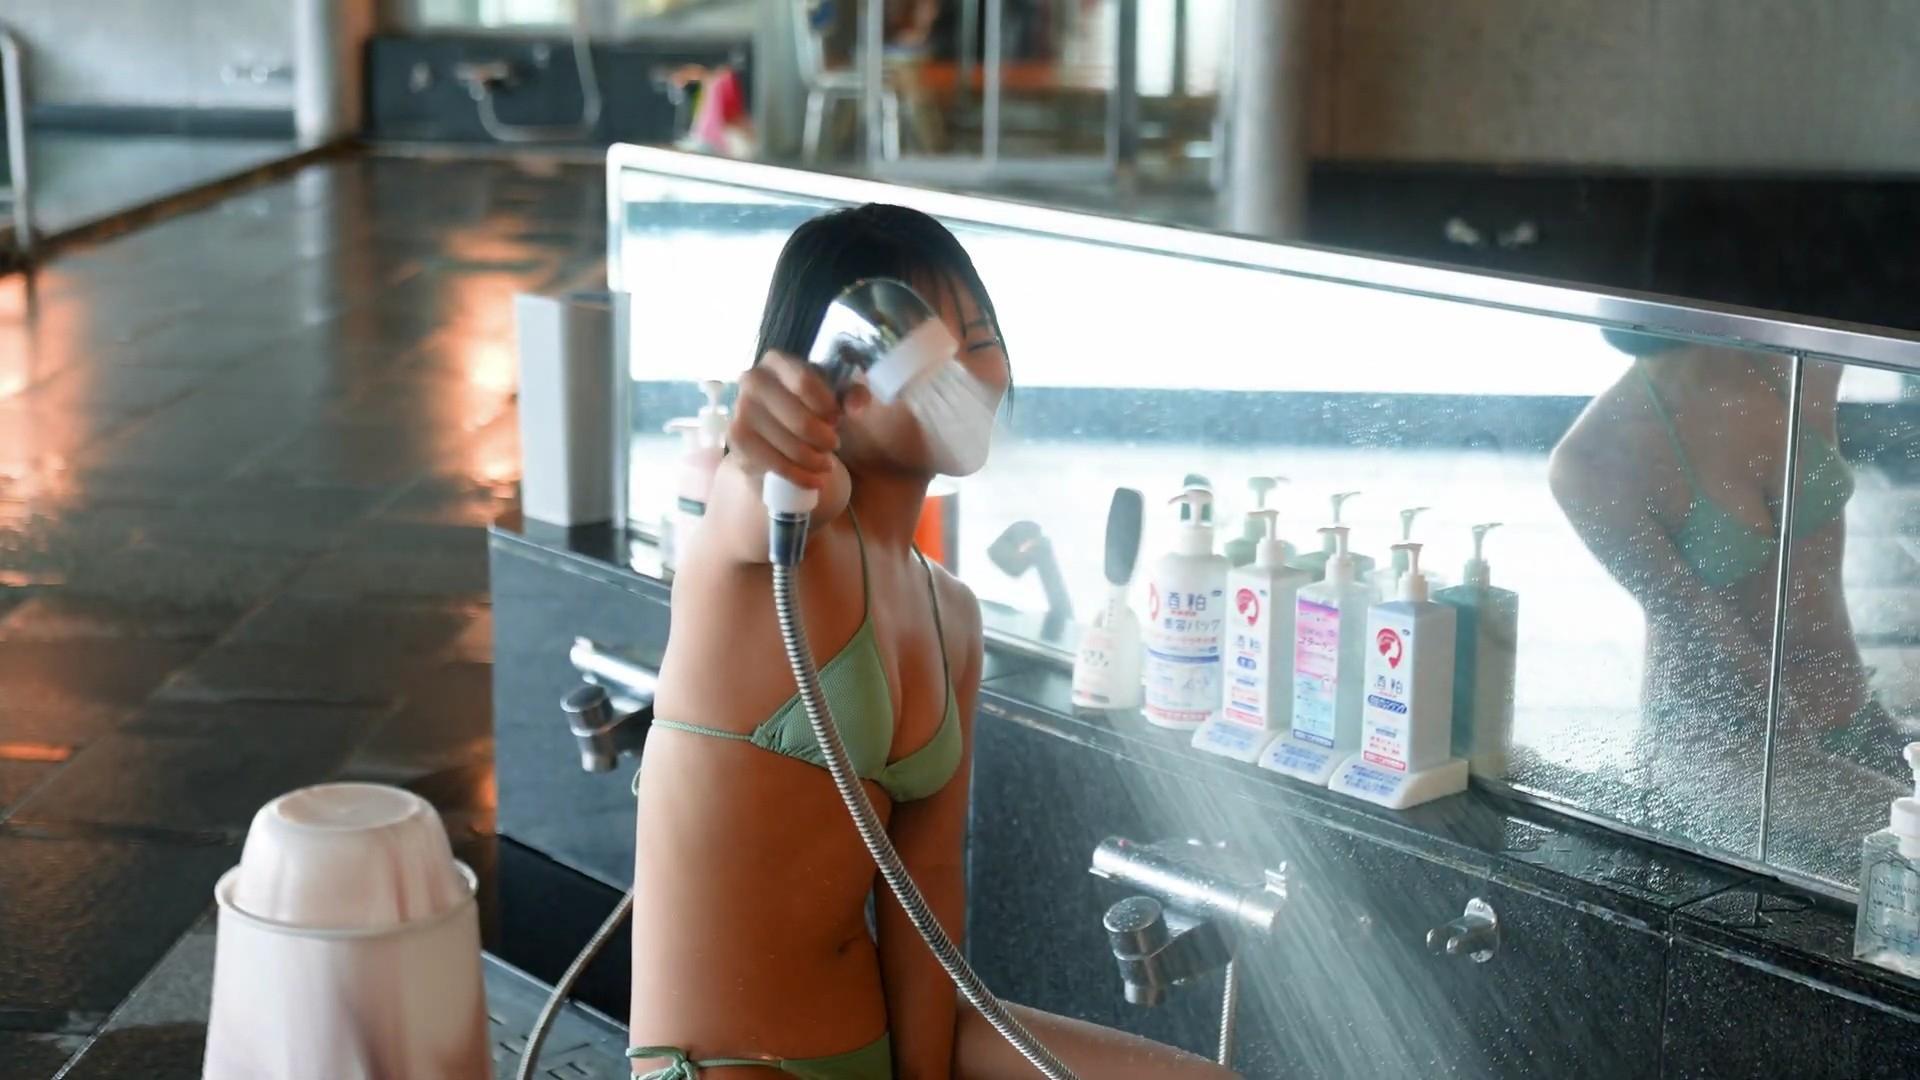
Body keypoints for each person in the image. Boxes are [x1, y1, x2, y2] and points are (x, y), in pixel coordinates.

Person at [627, 204, 1235, 1079]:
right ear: (835, 378)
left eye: (979, 341)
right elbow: (751, 491)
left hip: (877, 1041)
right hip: (723, 1059)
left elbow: (929, 885)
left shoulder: (952, 614)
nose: (967, 375)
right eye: (918, 349)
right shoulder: (773, 554)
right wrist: (765, 441)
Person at [1548, 331, 1902, 775]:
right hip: (1721, 750)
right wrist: (1842, 773)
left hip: (1855, 716)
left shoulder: (1801, 360)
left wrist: (1876, 741)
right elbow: (1717, 652)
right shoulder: (1590, 462)